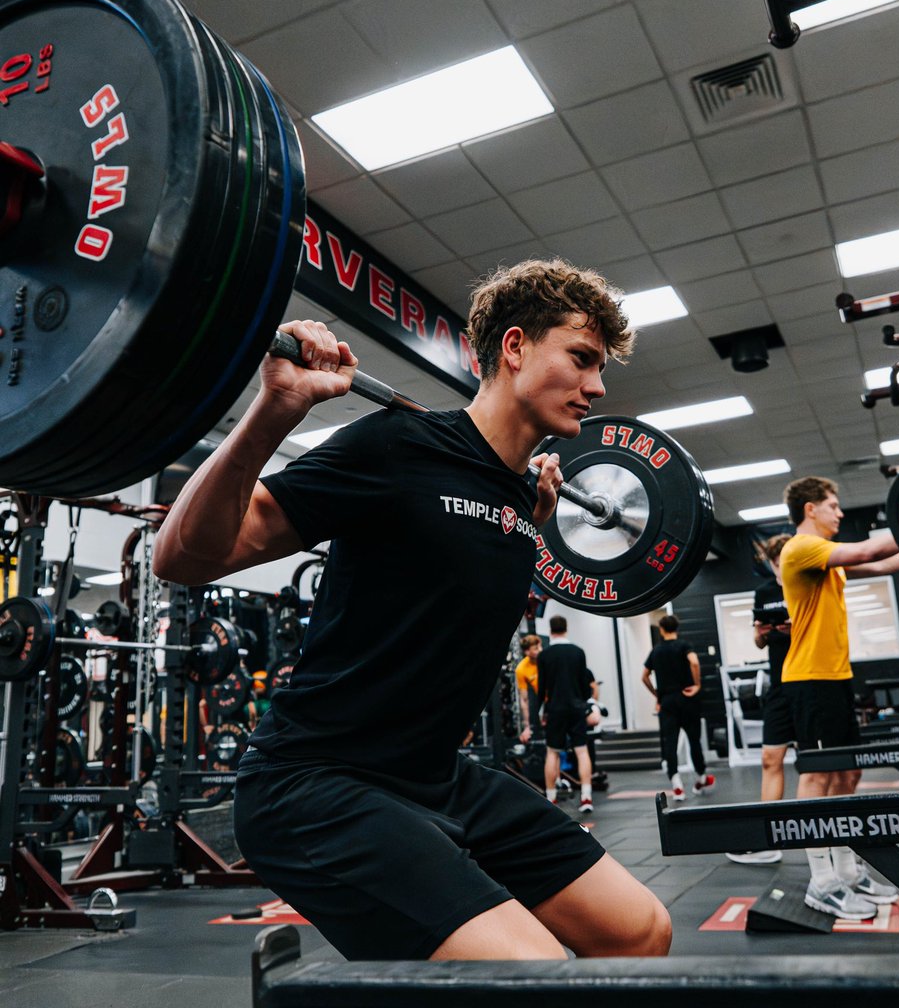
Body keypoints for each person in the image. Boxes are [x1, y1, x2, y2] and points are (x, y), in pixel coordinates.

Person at [153, 258, 671, 961]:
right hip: (316, 783)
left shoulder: (524, 498)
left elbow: (477, 540)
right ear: (514, 348)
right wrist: (275, 410)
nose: (597, 386)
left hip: (438, 777)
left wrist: (528, 507)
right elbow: (182, 557)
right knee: (537, 976)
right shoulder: (396, 445)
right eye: (581, 359)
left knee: (640, 930)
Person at [779, 475, 899, 920]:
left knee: (848, 774)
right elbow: (869, 551)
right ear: (810, 509)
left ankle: (849, 871)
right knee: (817, 778)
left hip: (835, 677)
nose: (839, 512)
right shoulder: (801, 548)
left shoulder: (826, 560)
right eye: (832, 505)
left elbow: (884, 565)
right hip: (809, 679)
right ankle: (822, 881)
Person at [726, 533, 793, 865]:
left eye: (786, 561)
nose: (781, 568)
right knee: (770, 759)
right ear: (771, 564)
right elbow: (758, 643)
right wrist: (762, 633)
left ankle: (834, 849)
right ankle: (769, 837)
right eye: (777, 563)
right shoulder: (764, 592)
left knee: (821, 769)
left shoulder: (807, 583)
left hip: (810, 681)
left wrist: (796, 628)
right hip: (779, 684)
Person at [641, 615, 714, 802]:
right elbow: (695, 662)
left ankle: (677, 786)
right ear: (677, 628)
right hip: (687, 698)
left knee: (670, 744)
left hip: (667, 701)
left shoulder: (656, 651)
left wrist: (657, 694)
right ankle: (701, 778)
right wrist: (697, 684)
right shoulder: (684, 646)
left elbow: (644, 676)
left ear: (661, 629)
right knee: (693, 740)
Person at [537, 615, 595, 813]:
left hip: (556, 708)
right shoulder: (578, 652)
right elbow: (584, 684)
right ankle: (586, 797)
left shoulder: (544, 655)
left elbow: (542, 688)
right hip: (576, 707)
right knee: (581, 751)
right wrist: (584, 702)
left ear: (551, 630)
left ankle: (551, 799)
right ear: (566, 628)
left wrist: (539, 712)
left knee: (552, 752)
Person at [515, 633, 543, 744]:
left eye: (540, 646)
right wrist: (527, 726)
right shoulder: (521, 669)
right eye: (536, 648)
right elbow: (524, 699)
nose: (540, 650)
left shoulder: (547, 658)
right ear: (527, 652)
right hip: (545, 703)